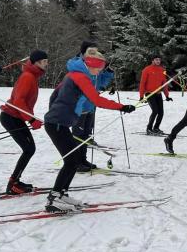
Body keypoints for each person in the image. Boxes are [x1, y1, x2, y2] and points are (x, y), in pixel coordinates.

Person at [44, 50, 135, 212]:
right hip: (57, 123)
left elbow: (55, 95)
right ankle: (54, 198)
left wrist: (53, 113)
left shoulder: (74, 74)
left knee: (73, 159)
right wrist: (122, 107)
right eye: (99, 66)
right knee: (72, 161)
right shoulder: (80, 77)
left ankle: (61, 194)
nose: (100, 70)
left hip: (59, 122)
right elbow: (97, 100)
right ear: (91, 64)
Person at [0, 50, 48, 194]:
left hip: (17, 117)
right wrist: (31, 119)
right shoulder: (28, 77)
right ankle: (13, 184)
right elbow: (18, 101)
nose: (47, 64)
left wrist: (31, 118)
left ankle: (15, 182)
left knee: (29, 149)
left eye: (46, 61)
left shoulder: (32, 76)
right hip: (11, 117)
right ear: (36, 63)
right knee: (29, 149)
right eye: (44, 61)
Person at [68, 45, 114, 171]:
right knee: (78, 135)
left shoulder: (95, 65)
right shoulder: (81, 66)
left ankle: (83, 159)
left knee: (87, 135)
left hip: (91, 106)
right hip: (80, 108)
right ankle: (75, 162)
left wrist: (108, 73)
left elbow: (100, 83)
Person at [139, 54, 173, 135]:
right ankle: (149, 128)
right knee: (155, 111)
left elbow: (164, 84)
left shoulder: (162, 70)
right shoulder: (146, 69)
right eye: (156, 59)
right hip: (149, 93)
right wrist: (141, 96)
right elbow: (142, 83)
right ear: (152, 60)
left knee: (161, 112)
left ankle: (156, 128)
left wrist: (167, 96)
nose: (158, 61)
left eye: (159, 60)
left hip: (158, 93)